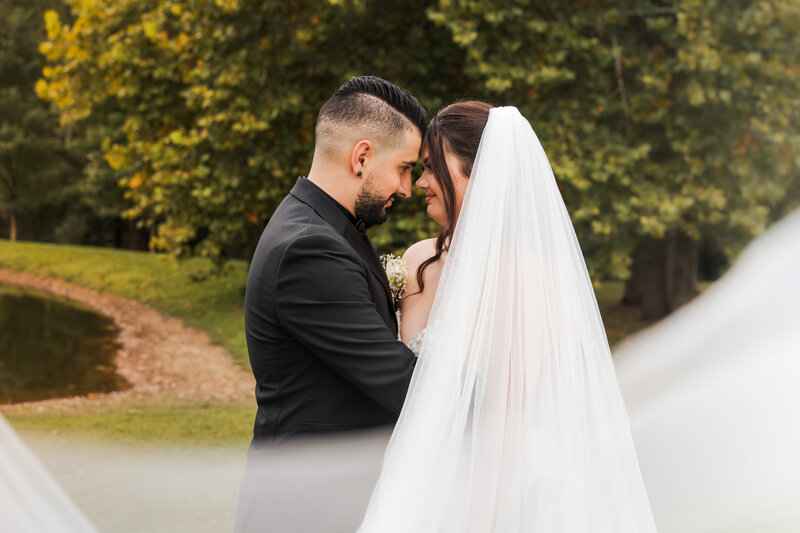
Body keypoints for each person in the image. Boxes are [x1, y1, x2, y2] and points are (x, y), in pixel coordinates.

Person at [358, 103, 658, 532]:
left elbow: (505, 424)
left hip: (500, 487)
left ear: (479, 171)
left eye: (431, 167)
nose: (420, 183)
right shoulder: (418, 261)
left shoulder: (524, 277)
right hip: (416, 476)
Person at [243, 75, 424, 443]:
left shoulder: (322, 226)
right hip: (310, 494)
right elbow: (402, 384)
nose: (406, 189)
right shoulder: (309, 251)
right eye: (404, 168)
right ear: (361, 157)